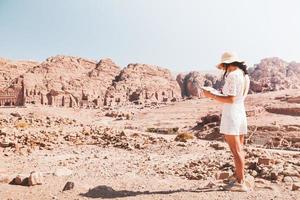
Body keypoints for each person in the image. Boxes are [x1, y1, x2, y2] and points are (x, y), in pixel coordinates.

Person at [202, 52, 250, 192]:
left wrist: (211, 95)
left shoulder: (233, 75)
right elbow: (235, 97)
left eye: (223, 66)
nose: (223, 69)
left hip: (232, 114)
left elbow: (231, 99)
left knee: (236, 151)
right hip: (240, 112)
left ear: (227, 64)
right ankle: (240, 178)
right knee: (239, 149)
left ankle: (241, 183)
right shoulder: (244, 75)